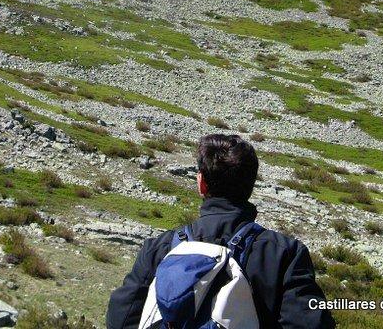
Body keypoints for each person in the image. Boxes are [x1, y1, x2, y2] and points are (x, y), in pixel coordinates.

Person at [106, 133, 335, 328]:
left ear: (201, 184)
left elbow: (121, 319)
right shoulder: (284, 253)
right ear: (251, 186)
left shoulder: (159, 248)